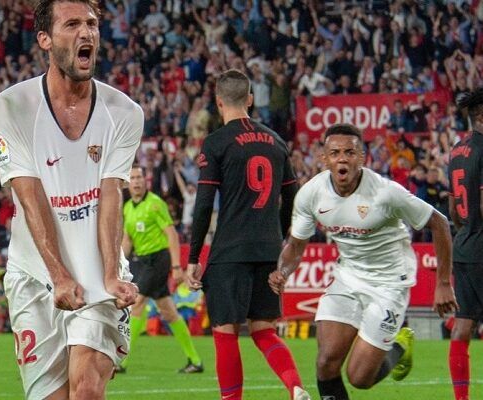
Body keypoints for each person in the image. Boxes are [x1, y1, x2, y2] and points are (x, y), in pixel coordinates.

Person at [0, 0, 142, 398]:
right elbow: (29, 196)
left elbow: (111, 195)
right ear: (45, 39)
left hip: (97, 271)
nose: (86, 33)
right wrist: (58, 274)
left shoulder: (124, 112)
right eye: (71, 24)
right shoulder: (10, 107)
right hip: (34, 274)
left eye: (91, 24)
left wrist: (110, 273)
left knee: (87, 387)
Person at [268, 123, 458, 400]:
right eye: (334, 153)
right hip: (348, 276)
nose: (342, 158)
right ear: (324, 158)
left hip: (390, 282)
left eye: (349, 152)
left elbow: (439, 223)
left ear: (362, 157)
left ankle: (399, 347)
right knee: (326, 363)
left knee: (359, 378)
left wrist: (443, 283)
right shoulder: (311, 194)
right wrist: (282, 271)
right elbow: (296, 245)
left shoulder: (385, 192)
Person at [186, 69, 308, 400]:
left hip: (230, 251)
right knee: (264, 330)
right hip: (268, 251)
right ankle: (295, 386)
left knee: (225, 333)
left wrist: (194, 257)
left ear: (218, 102)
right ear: (250, 100)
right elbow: (292, 198)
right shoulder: (277, 141)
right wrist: (278, 238)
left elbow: (204, 205)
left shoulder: (215, 143)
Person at [117, 165, 203, 373]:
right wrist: (120, 264)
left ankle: (122, 361)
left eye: (139, 177)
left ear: (145, 181)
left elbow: (171, 234)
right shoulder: (128, 208)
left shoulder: (155, 204)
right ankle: (195, 360)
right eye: (133, 178)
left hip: (159, 259)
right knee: (168, 310)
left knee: (136, 305)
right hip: (143, 261)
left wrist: (176, 266)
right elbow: (128, 240)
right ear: (128, 183)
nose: (136, 182)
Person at [448, 90, 483, 400]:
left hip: (464, 246)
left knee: (463, 327)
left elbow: (451, 207)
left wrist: (467, 230)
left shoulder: (458, 150)